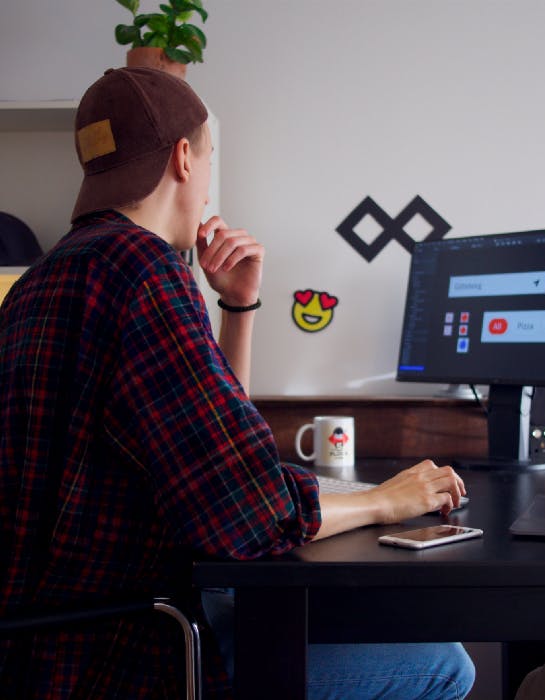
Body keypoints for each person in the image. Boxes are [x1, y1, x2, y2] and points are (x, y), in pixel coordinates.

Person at [0, 67, 475, 699]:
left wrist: (238, 309)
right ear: (185, 157)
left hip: (39, 648)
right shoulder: (142, 273)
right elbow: (245, 514)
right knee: (444, 664)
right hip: (125, 655)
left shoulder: (43, 277)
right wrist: (387, 500)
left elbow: (215, 449)